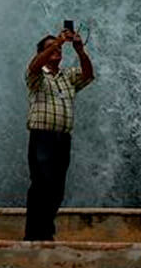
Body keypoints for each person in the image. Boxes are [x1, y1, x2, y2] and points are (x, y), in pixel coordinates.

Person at [23, 23, 95, 241]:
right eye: (51, 48)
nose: (57, 51)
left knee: (57, 188)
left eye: (59, 49)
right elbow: (34, 67)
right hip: (42, 136)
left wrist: (80, 50)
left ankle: (44, 230)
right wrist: (58, 41)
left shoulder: (67, 76)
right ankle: (35, 234)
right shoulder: (37, 77)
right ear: (42, 52)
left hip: (62, 138)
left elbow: (88, 74)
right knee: (42, 183)